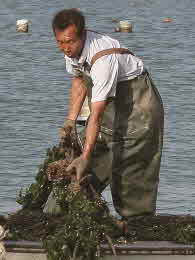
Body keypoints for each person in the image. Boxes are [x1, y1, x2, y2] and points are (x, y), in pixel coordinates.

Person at [46, 9, 164, 219]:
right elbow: (79, 79)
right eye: (59, 42)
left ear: (83, 35)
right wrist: (70, 122)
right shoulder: (73, 51)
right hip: (110, 116)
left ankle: (137, 231)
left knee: (130, 186)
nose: (65, 48)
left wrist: (86, 156)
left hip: (138, 116)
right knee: (70, 183)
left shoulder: (103, 60)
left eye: (69, 42)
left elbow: (97, 114)